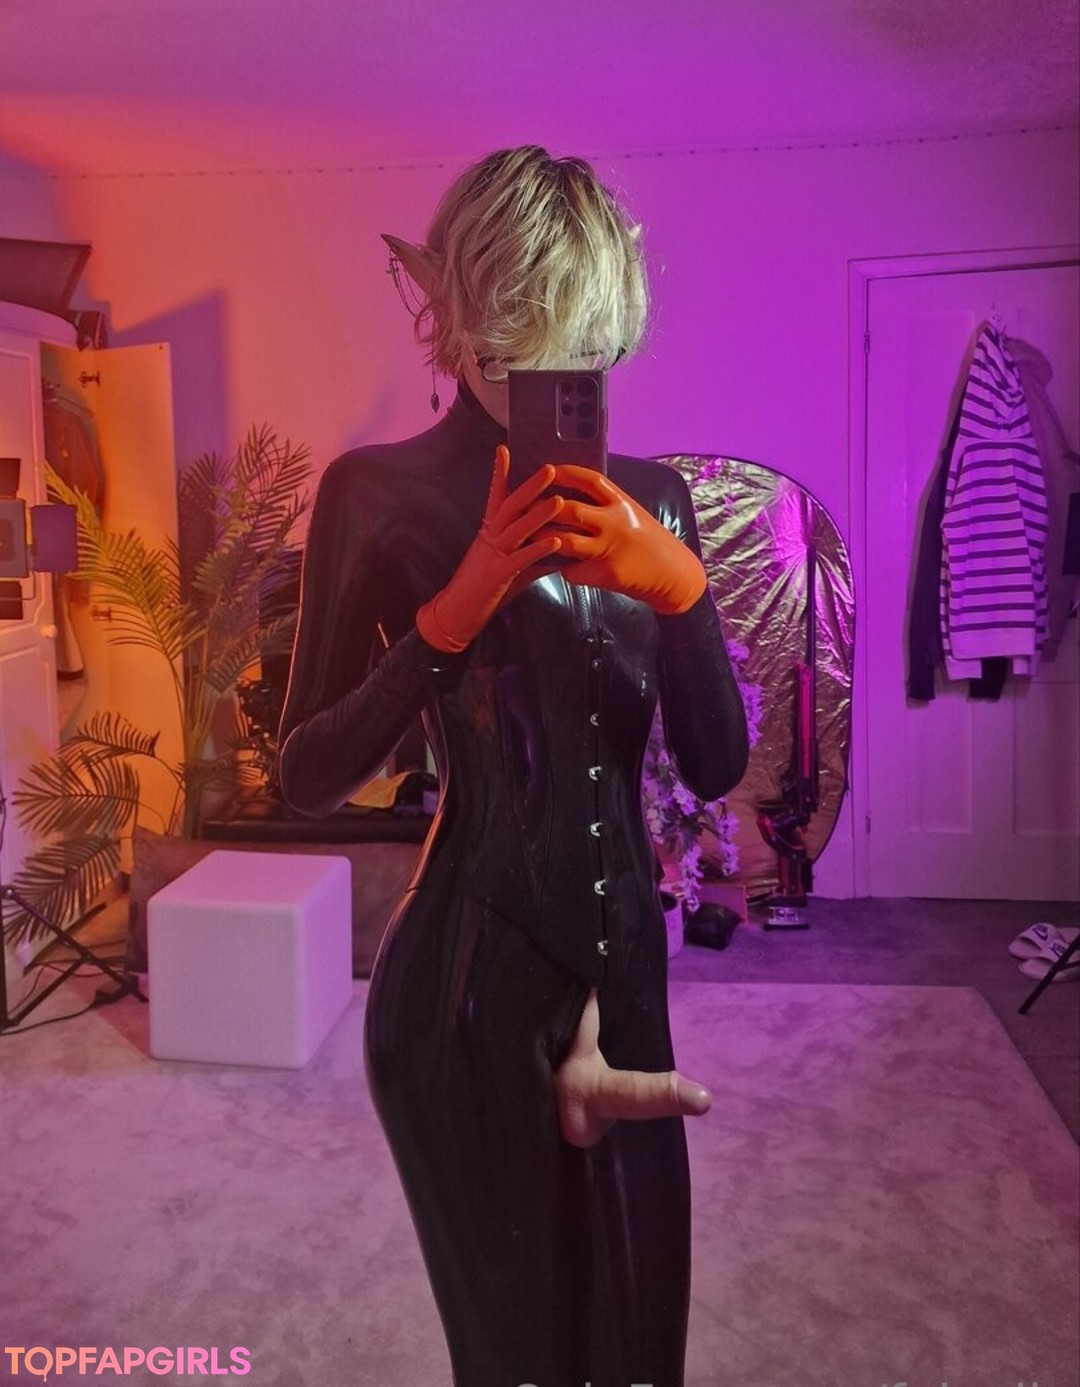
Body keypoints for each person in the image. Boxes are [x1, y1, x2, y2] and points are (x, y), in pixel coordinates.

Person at [278, 145, 749, 1386]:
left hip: (626, 983)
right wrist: (453, 611)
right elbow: (307, 775)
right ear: (460, 322)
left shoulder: (658, 502)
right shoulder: (374, 496)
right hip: (462, 995)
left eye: (579, 348)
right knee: (515, 1366)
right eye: (516, 345)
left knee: (641, 1360)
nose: (548, 374)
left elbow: (714, 765)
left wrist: (684, 593)